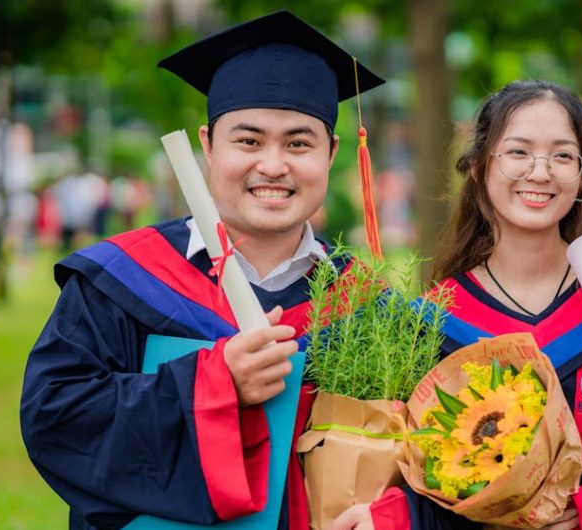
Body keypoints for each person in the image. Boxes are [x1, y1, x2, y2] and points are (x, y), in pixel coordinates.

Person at [20, 10, 383, 530]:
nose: (274, 165)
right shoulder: (121, 280)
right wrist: (212, 385)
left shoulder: (367, 305)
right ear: (208, 145)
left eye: (299, 143)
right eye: (248, 141)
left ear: (332, 154)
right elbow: (56, 418)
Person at [333, 80, 582, 530]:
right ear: (481, 167)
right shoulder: (435, 323)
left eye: (562, 156)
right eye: (518, 152)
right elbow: (416, 474)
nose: (540, 173)